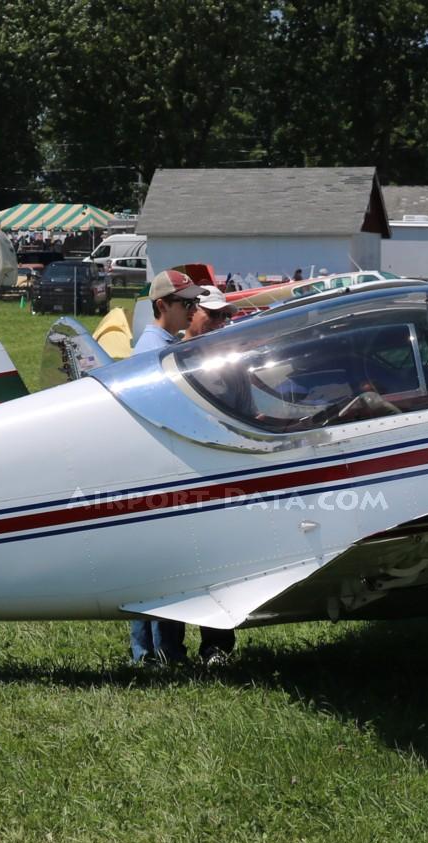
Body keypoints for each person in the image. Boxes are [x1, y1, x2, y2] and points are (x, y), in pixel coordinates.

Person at [128, 270, 203, 665]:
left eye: (194, 303)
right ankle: (159, 654)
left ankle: (152, 654)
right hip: (156, 473)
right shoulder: (153, 353)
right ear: (163, 306)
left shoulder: (164, 344)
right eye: (186, 303)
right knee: (167, 568)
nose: (194, 310)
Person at [180, 285, 241, 666]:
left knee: (222, 561)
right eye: (212, 315)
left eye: (225, 316)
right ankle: (162, 651)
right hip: (182, 477)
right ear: (193, 313)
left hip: (220, 476)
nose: (220, 322)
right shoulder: (170, 356)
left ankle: (215, 647)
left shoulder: (229, 361)